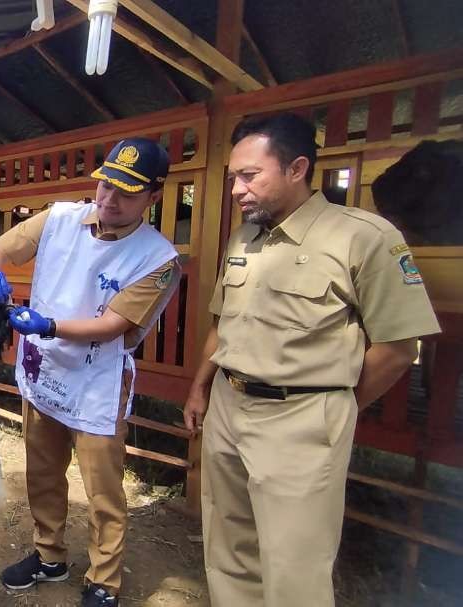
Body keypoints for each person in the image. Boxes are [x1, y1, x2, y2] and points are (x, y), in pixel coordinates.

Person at [183, 113, 441, 606]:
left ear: (297, 168)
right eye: (233, 176)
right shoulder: (244, 238)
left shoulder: (364, 236)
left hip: (303, 421)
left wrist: (333, 406)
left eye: (249, 175)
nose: (236, 189)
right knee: (228, 549)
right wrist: (200, 387)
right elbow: (222, 323)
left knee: (293, 566)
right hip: (229, 408)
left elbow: (398, 347)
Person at [0, 138, 180, 607]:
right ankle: (49, 554)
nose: (109, 199)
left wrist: (47, 324)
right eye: (106, 185)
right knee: (43, 472)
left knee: (103, 489)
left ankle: (104, 580)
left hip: (97, 380)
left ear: (153, 196)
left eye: (126, 193)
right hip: (45, 369)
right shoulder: (60, 218)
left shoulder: (157, 259)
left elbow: (114, 327)